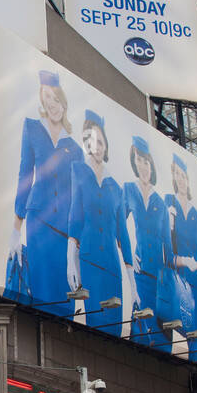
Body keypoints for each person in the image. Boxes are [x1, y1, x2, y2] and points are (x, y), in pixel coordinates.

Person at [11, 70, 82, 317]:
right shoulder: (31, 129)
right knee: (39, 292)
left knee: (64, 296)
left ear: (63, 101)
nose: (52, 104)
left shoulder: (74, 148)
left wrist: (75, 246)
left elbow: (77, 200)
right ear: (42, 103)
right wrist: (15, 230)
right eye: (47, 98)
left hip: (64, 230)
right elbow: (24, 175)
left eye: (56, 98)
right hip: (38, 223)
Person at [67, 111, 136, 337]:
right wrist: (71, 260)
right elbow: (75, 218)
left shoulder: (116, 187)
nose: (96, 146)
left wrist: (133, 284)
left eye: (99, 141)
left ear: (105, 143)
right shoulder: (78, 171)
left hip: (112, 266)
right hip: (89, 261)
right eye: (90, 141)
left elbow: (123, 236)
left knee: (114, 326)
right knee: (95, 323)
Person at [124, 135, 178, 350]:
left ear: (151, 165)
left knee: (161, 339)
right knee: (140, 334)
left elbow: (168, 247)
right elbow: (118, 226)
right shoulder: (129, 190)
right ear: (134, 163)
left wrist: (173, 283)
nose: (142, 166)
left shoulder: (161, 203)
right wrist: (129, 257)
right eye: (138, 160)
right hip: (140, 275)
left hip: (160, 281)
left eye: (146, 161)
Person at [165, 152, 197, 367]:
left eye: (183, 175)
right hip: (181, 283)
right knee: (190, 336)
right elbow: (166, 251)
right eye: (176, 174)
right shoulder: (170, 205)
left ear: (187, 179)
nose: (180, 178)